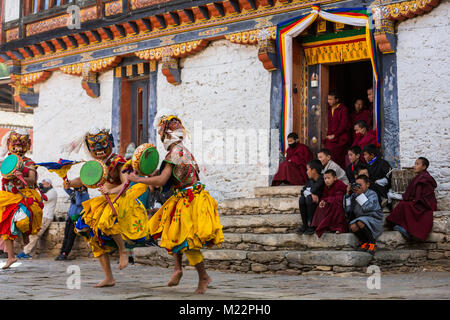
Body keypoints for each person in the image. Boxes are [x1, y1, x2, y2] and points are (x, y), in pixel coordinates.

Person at [126, 114, 224, 294]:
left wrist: (137, 178)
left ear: (166, 135)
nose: (161, 138)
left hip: (189, 200)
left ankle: (203, 277)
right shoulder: (183, 151)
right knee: (172, 234)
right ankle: (177, 269)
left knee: (187, 240)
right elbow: (166, 177)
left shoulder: (175, 153)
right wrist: (149, 175)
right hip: (184, 198)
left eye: (162, 135)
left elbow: (162, 180)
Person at [63, 128, 152, 287]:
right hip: (104, 202)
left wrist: (111, 190)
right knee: (89, 233)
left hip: (120, 199)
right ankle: (109, 277)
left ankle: (123, 250)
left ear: (109, 142)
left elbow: (125, 183)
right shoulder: (95, 164)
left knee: (106, 223)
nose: (98, 150)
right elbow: (83, 180)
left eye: (102, 144)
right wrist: (68, 183)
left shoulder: (119, 161)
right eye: (94, 146)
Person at [0, 129, 44, 269]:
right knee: (5, 228)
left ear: (27, 145)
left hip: (23, 196)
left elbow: (31, 180)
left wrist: (20, 176)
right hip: (7, 197)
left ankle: (25, 234)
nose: (18, 147)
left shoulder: (29, 162)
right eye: (15, 144)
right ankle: (11, 257)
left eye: (21, 144)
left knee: (22, 222)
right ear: (9, 143)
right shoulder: (7, 160)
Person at [386, 157, 437, 241]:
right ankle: (404, 227)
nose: (415, 166)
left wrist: (411, 199)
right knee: (404, 204)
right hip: (420, 202)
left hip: (426, 204)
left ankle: (406, 230)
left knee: (404, 205)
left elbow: (423, 196)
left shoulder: (424, 178)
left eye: (417, 164)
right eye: (415, 164)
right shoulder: (420, 176)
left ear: (424, 167)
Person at [17, 178, 57, 259]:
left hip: (46, 216)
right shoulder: (45, 191)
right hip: (41, 216)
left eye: (44, 184)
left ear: (49, 184)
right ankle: (30, 253)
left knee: (35, 235)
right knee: (34, 234)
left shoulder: (52, 192)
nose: (42, 186)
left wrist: (37, 190)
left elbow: (43, 199)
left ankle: (25, 252)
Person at [344, 174, 383, 255]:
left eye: (360, 185)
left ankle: (372, 243)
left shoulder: (372, 194)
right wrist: (348, 194)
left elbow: (368, 208)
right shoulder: (354, 195)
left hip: (374, 219)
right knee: (353, 226)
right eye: (356, 185)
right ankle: (365, 242)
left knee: (360, 222)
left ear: (367, 184)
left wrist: (361, 195)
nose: (358, 187)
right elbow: (348, 209)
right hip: (362, 219)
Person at [55, 182, 89, 261]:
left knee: (71, 236)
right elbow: (66, 189)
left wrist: (77, 192)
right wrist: (69, 184)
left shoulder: (85, 195)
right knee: (66, 235)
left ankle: (65, 253)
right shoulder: (74, 194)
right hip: (70, 217)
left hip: (77, 219)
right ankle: (62, 252)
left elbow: (78, 203)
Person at [311, 169, 348, 237]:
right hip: (330, 203)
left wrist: (326, 201)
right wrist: (322, 201)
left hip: (340, 205)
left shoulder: (339, 184)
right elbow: (324, 196)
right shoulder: (326, 186)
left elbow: (339, 198)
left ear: (335, 178)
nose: (326, 180)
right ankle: (320, 226)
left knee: (336, 206)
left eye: (328, 178)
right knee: (320, 206)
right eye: (325, 178)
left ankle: (338, 227)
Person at [296, 160, 324, 235]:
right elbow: (302, 191)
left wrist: (309, 192)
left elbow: (314, 189)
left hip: (321, 203)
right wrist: (310, 193)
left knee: (308, 198)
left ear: (314, 170)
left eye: (308, 169)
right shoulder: (310, 181)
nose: (306, 172)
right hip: (311, 203)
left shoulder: (322, 179)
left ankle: (312, 225)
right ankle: (305, 225)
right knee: (302, 199)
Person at [324, 91, 351, 168]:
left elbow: (344, 124)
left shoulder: (343, 109)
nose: (329, 101)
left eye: (331, 99)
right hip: (332, 137)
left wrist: (335, 135)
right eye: (328, 99)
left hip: (340, 137)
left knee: (338, 157)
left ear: (337, 100)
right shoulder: (330, 109)